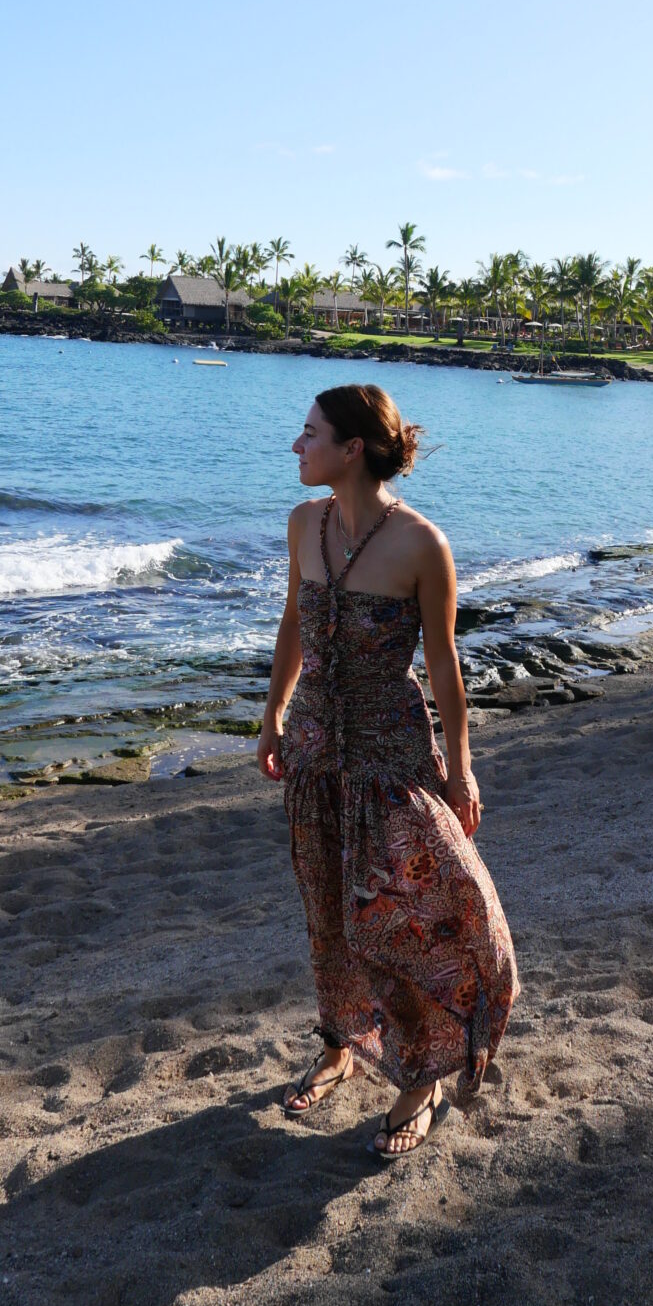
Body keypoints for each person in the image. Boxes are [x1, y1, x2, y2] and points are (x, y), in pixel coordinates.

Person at [257, 383, 518, 1160]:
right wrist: (272, 715)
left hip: (389, 750)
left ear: (353, 450)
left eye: (309, 435)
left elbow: (444, 667)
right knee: (328, 906)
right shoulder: (305, 523)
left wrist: (461, 770)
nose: (296, 448)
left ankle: (424, 1074)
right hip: (314, 748)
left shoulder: (422, 546)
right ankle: (340, 1043)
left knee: (411, 910)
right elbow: (293, 627)